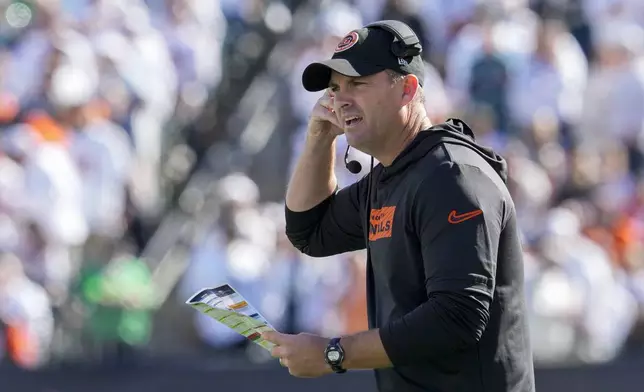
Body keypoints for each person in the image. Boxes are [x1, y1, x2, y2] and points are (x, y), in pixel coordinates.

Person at [261, 20, 535, 392]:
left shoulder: (451, 176)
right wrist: (319, 138)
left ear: (406, 89)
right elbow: (310, 231)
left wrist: (333, 353)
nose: (339, 100)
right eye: (334, 88)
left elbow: (457, 316)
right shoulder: (394, 175)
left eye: (357, 83)